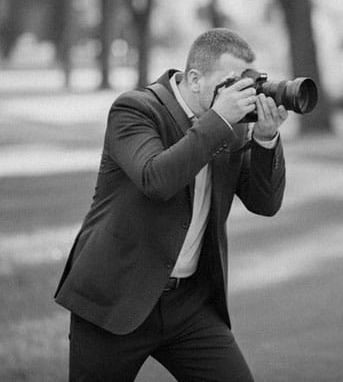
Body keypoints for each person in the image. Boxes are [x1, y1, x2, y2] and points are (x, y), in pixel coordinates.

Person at [55, 28, 289, 381]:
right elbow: (156, 180)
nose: (241, 93)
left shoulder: (232, 127)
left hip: (189, 305)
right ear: (195, 79)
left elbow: (264, 203)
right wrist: (220, 119)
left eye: (247, 81)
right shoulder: (135, 110)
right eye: (230, 82)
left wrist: (266, 139)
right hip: (115, 297)